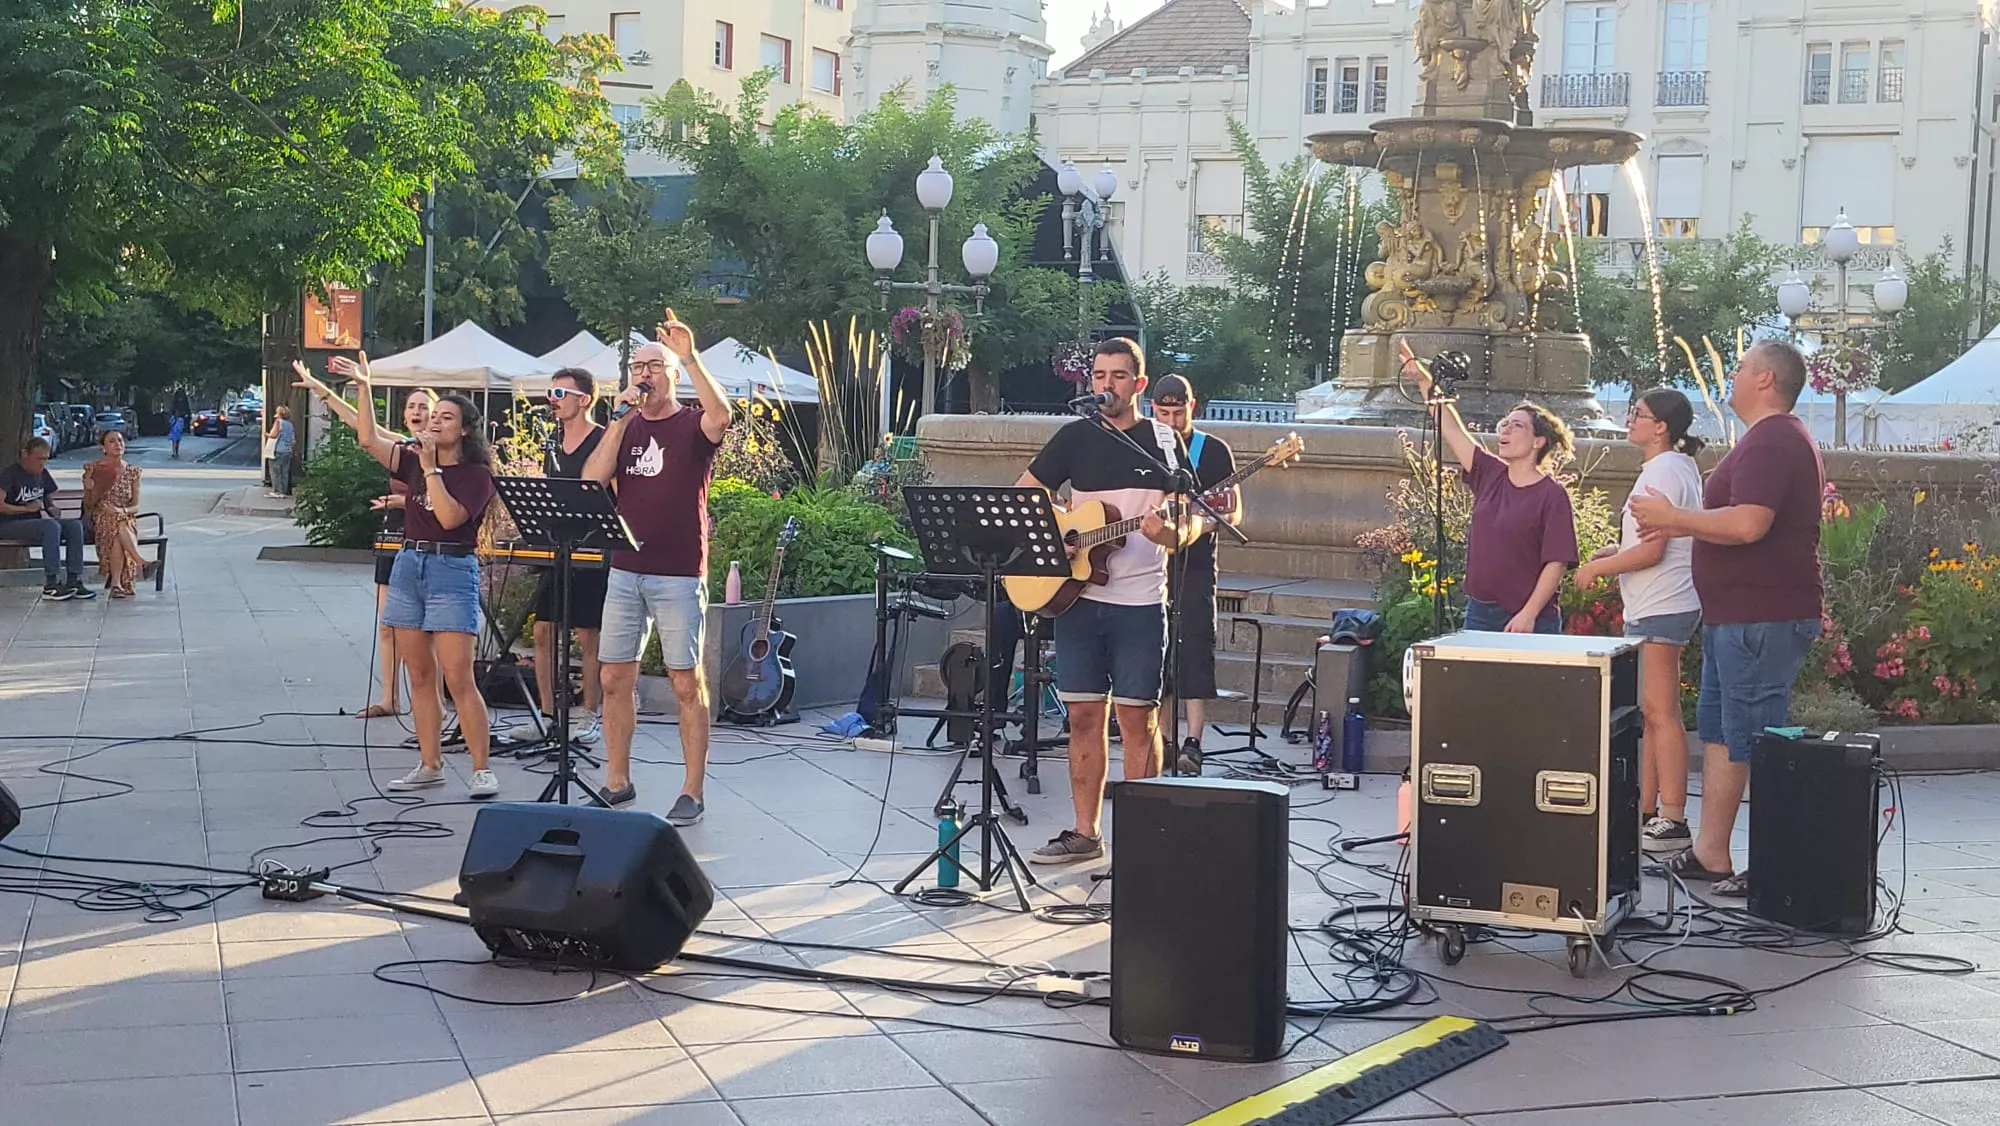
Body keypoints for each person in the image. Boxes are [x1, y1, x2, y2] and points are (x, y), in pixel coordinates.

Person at [1633, 341, 1823, 898]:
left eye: (1741, 369)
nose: (1732, 376)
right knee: (1722, 731)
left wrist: (1674, 519)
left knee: (1755, 739)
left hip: (1761, 617)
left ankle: (1774, 866)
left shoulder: (1773, 439)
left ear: (1765, 380)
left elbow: (1749, 525)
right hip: (1736, 617)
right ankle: (1711, 853)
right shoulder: (1765, 439)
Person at [1018, 338, 1203, 864]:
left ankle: (1145, 840)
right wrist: (1062, 533)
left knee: (1137, 720)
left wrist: (1167, 535)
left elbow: (1189, 523)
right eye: (1098, 376)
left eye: (1117, 376)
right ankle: (1084, 832)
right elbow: (1025, 497)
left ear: (1139, 384)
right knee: (1081, 716)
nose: (1105, 385)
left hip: (1140, 603)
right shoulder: (1074, 438)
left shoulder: (1163, 443)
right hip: (1077, 600)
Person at [327, 353, 501, 800]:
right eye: (433, 416)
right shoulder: (412, 458)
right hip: (410, 564)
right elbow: (368, 439)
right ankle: (429, 763)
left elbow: (447, 518)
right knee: (419, 674)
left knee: (457, 676)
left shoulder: (475, 475)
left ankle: (482, 769)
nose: (434, 422)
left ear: (463, 429)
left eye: (445, 417)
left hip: (450, 567)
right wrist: (365, 386)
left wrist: (429, 469)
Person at [582, 311, 734, 820]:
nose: (643, 374)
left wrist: (690, 355)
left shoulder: (691, 423)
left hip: (677, 571)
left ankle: (692, 790)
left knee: (685, 682)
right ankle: (618, 779)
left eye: (653, 365)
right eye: (636, 367)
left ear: (672, 374)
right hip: (626, 568)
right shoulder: (624, 425)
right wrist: (619, 418)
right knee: (612, 678)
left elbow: (723, 416)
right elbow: (592, 479)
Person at [1573, 388, 1705, 854]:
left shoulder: (1665, 469)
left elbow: (1654, 550)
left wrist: (1595, 568)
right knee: (1651, 714)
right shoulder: (1675, 467)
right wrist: (1615, 550)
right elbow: (1654, 537)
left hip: (1661, 602)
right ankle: (1645, 809)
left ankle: (1672, 815)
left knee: (1661, 712)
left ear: (1662, 427)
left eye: (1639, 415)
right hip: (1659, 601)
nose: (1631, 420)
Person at [1400, 341, 1578, 633]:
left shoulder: (1551, 495)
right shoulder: (1491, 473)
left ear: (1538, 442)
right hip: (1480, 612)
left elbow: (1556, 563)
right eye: (1505, 423)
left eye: (1517, 425)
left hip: (1529, 617)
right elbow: (1453, 430)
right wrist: (1424, 380)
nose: (1505, 429)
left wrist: (1528, 614)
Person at [294, 361, 437, 719]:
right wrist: (321, 389)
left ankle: (430, 698)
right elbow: (360, 425)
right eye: (412, 406)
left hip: (427, 535)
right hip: (395, 531)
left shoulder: (442, 451)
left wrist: (408, 501)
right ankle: (390, 698)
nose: (417, 412)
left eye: (424, 407)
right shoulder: (402, 446)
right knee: (387, 623)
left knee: (424, 628)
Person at [1148, 374, 1241, 775]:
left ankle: (1193, 741)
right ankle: (1163, 740)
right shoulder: (1140, 445)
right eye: (1163, 413)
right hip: (1148, 562)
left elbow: (1234, 509)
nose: (1171, 420)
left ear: (1193, 406)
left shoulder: (1213, 450)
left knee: (1195, 645)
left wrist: (1204, 521)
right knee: (1158, 652)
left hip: (1198, 562)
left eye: (1178, 412)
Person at [532, 367, 608, 742]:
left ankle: (589, 713)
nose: (553, 400)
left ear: (584, 399)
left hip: (592, 547)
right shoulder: (551, 444)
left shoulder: (602, 439)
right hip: (557, 547)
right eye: (551, 393)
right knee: (542, 630)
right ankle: (547, 716)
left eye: (561, 393)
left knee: (587, 633)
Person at [0, 437, 95, 601]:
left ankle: (74, 580)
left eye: (45, 459)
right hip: (9, 524)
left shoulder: (43, 474)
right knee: (50, 527)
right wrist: (25, 509)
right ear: (25, 455)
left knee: (74, 526)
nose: (42, 463)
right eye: (38, 459)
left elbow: (48, 500)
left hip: (35, 524)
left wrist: (52, 509)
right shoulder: (10, 474)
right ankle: (51, 584)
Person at [84, 431, 146, 598]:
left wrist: (121, 511)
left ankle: (116, 584)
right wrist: (90, 488)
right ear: (103, 447)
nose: (118, 444)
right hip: (101, 517)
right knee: (115, 524)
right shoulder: (94, 469)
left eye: (120, 440)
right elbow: (88, 504)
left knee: (119, 525)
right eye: (112, 441)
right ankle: (140, 561)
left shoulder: (133, 472)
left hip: (125, 518)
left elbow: (136, 506)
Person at [267, 406, 296, 497]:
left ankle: (277, 491)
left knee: (275, 470)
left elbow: (274, 435)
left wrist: (267, 434)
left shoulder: (278, 422)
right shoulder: (290, 424)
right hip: (288, 451)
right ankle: (283, 491)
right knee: (285, 472)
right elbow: (293, 440)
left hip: (278, 449)